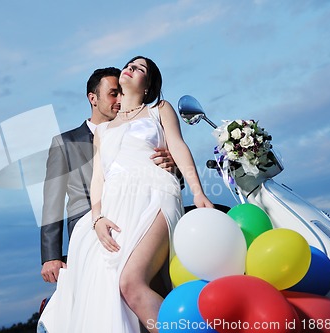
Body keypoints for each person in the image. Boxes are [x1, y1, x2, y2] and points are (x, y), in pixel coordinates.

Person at [38, 56, 214, 333]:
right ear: (92, 98)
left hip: (154, 195)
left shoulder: (160, 109)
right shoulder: (86, 136)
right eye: (128, 66)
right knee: (105, 291)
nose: (130, 70)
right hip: (109, 211)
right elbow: (83, 185)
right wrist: (95, 220)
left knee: (131, 282)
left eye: (139, 68)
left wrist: (196, 190)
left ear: (147, 86)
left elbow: (177, 149)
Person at [41, 67, 178, 283]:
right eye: (113, 93)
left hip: (138, 215)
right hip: (88, 223)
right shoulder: (64, 143)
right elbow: (52, 203)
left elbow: (168, 179)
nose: (119, 99)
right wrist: (51, 256)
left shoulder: (142, 130)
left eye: (121, 93)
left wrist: (172, 167)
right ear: (93, 98)